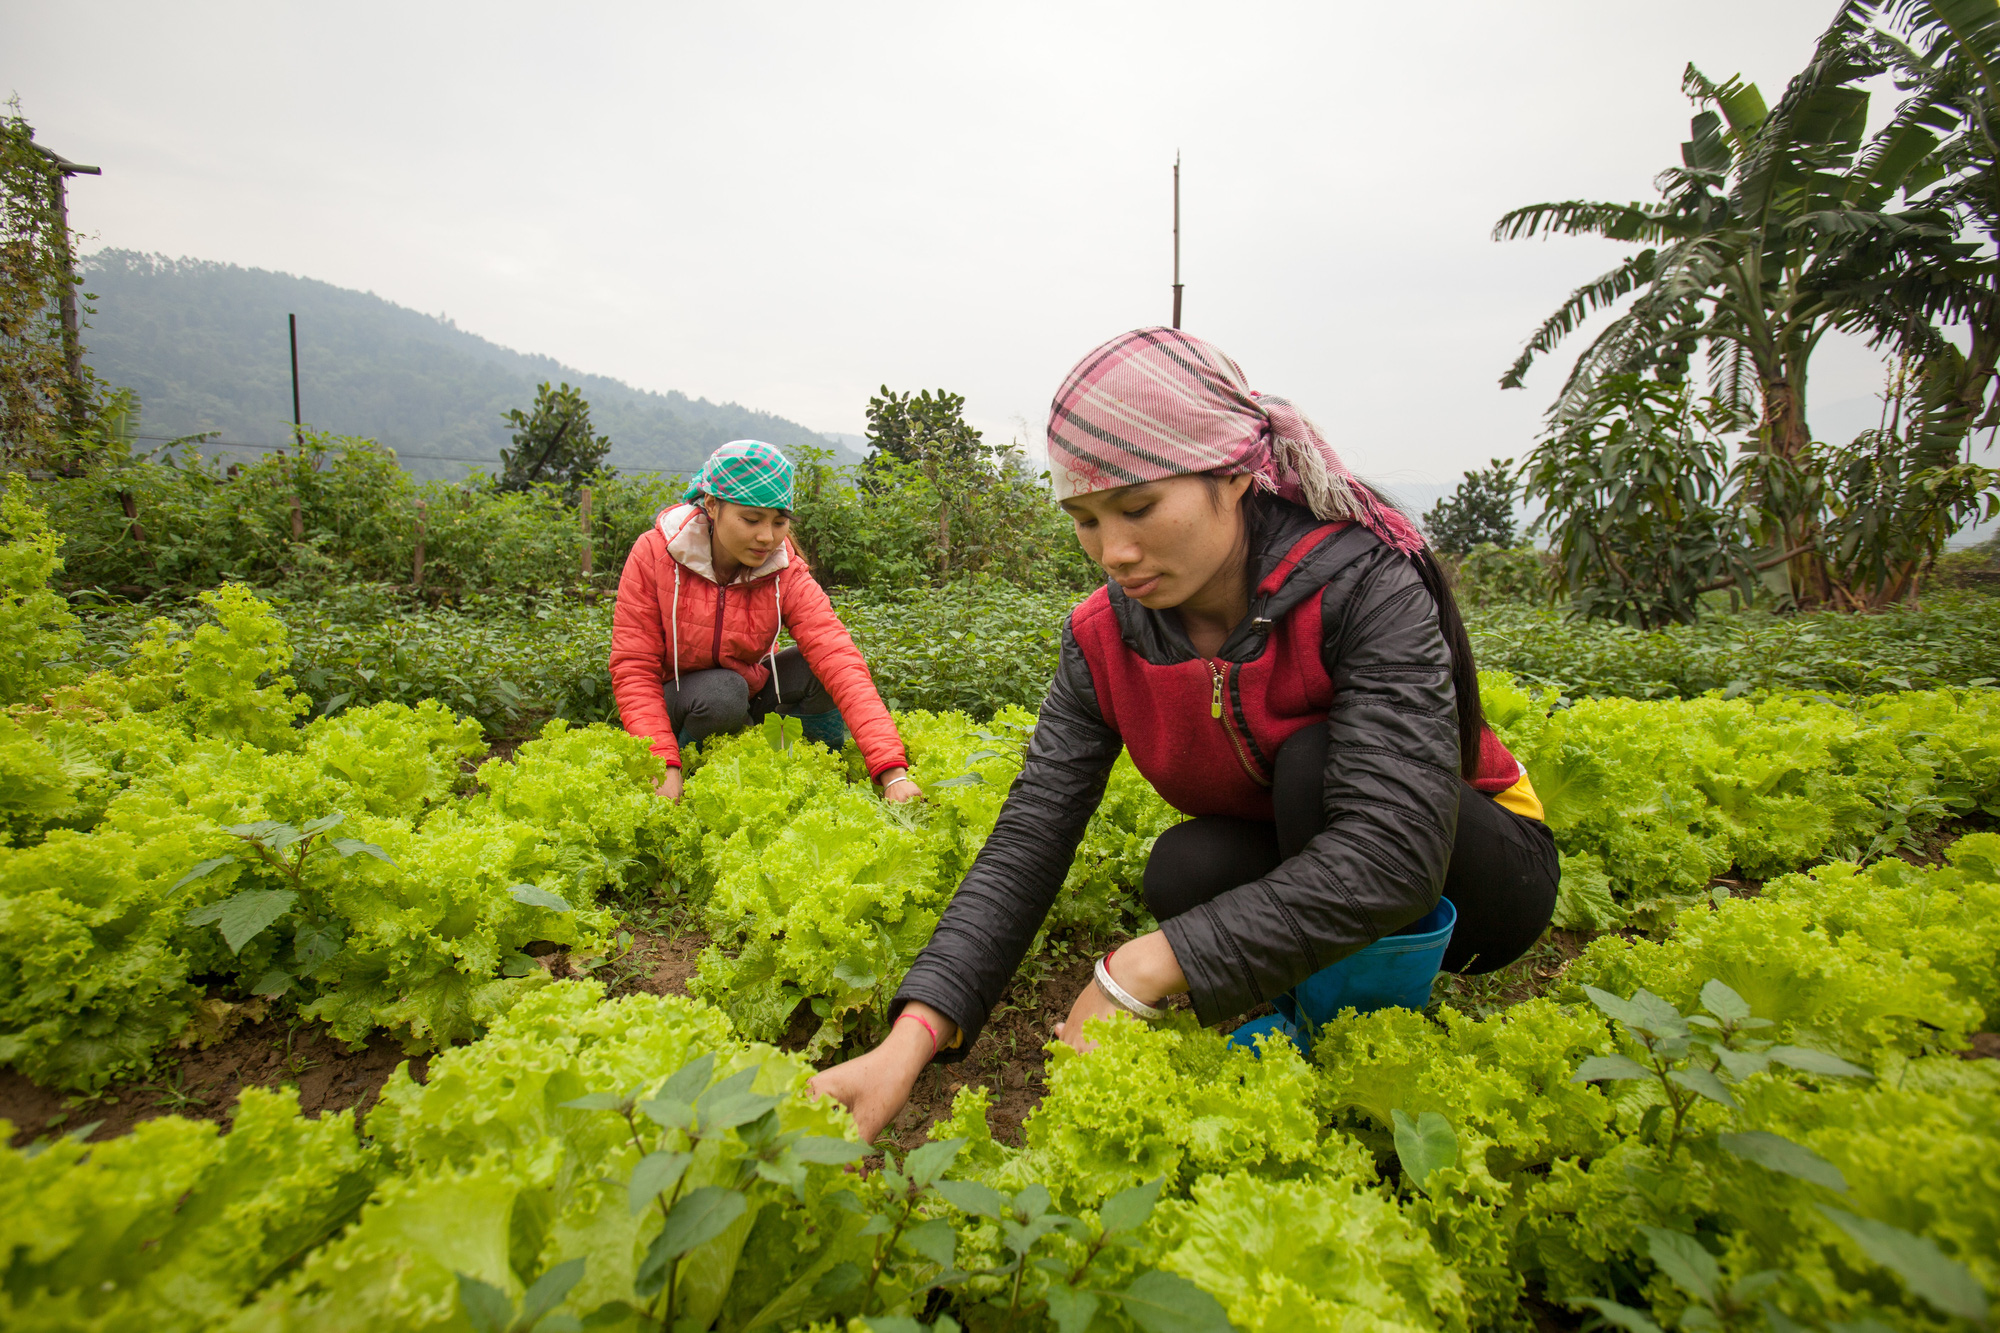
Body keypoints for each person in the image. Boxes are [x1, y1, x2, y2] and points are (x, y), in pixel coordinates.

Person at [810, 329, 1558, 1139]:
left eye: (1137, 507)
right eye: (1085, 519)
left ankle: (1360, 1042)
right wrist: (911, 1039)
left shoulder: (1365, 578)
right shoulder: (1104, 636)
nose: (1115, 552)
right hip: (1313, 849)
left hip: (1474, 868)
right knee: (1183, 869)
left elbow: (1394, 849)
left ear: (1234, 475)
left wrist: (1138, 968)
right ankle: (1305, 997)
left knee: (1314, 760)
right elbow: (1033, 830)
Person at [609, 439, 920, 804]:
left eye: (779, 522)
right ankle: (689, 774)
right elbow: (634, 667)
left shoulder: (783, 568)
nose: (767, 537)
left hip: (747, 689)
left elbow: (838, 657)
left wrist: (892, 772)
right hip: (677, 702)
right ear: (712, 505)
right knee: (722, 692)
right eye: (752, 519)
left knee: (817, 667)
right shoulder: (654, 554)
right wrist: (661, 762)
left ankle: (819, 770)